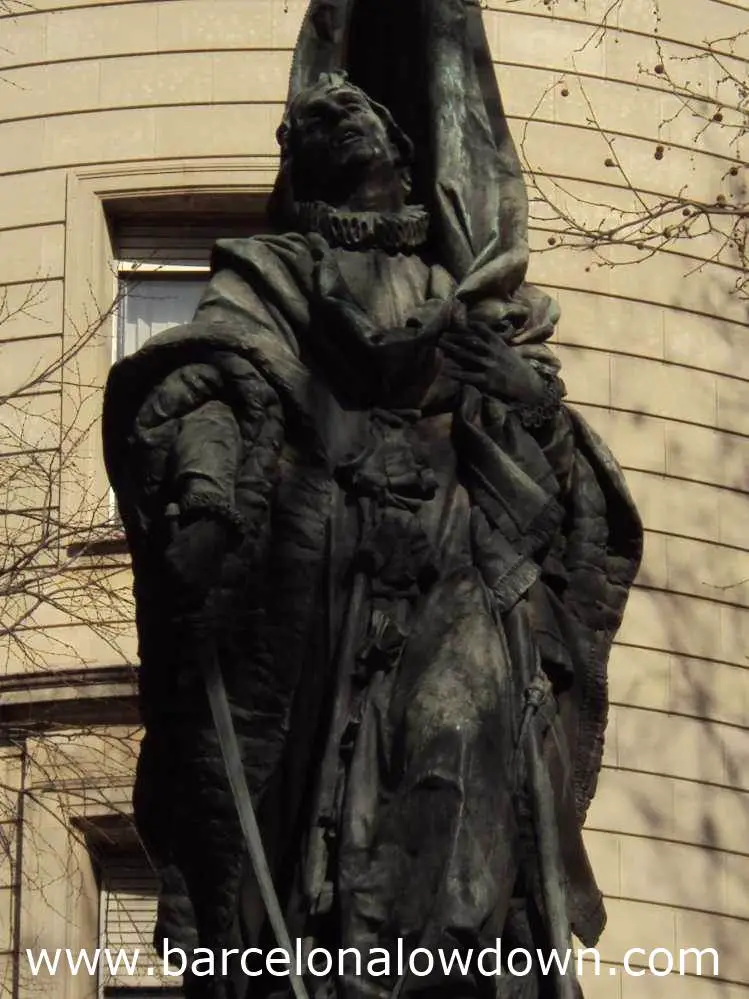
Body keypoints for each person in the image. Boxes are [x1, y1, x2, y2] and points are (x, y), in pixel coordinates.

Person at [103, 3, 642, 998]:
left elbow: (558, 493)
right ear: (305, 164)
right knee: (307, 800)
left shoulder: (464, 292)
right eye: (329, 114)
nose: (346, 112)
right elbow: (208, 385)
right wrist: (207, 497)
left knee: (456, 740)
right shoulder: (266, 277)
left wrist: (529, 401)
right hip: (320, 584)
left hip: (454, 574)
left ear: (402, 156)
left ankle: (444, 966)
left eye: (363, 114)